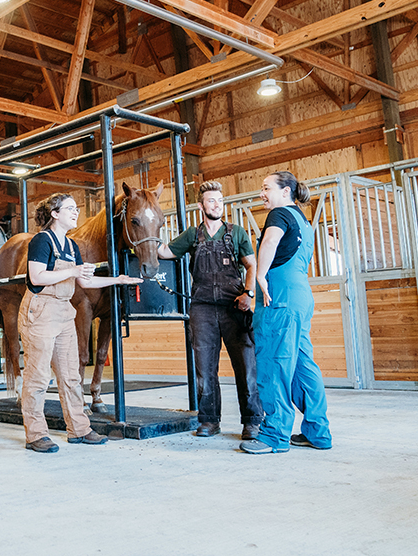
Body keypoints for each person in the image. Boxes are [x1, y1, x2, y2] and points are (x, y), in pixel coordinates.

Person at [19, 193, 142, 453]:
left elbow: (84, 282)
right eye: (71, 208)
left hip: (64, 311)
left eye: (76, 209)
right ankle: (35, 434)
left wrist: (117, 280)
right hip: (40, 310)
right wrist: (74, 271)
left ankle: (79, 428)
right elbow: (37, 276)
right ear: (54, 214)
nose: (76, 212)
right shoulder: (42, 240)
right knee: (38, 376)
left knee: (71, 375)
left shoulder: (72, 246)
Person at [158, 181, 263, 440]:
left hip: (233, 307)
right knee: (205, 370)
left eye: (220, 201)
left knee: (246, 366)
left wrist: (248, 294)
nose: (217, 205)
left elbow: (252, 265)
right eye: (211, 201)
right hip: (202, 309)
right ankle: (209, 421)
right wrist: (145, 235)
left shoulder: (236, 233)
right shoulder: (192, 236)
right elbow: (164, 251)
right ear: (201, 205)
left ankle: (251, 421)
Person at [240, 171, 333, 454]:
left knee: (274, 363)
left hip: (278, 298)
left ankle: (275, 435)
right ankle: (318, 432)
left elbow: (269, 243)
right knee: (303, 367)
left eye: (266, 188)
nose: (261, 193)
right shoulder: (304, 222)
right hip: (300, 296)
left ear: (285, 191)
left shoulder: (279, 215)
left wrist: (261, 277)